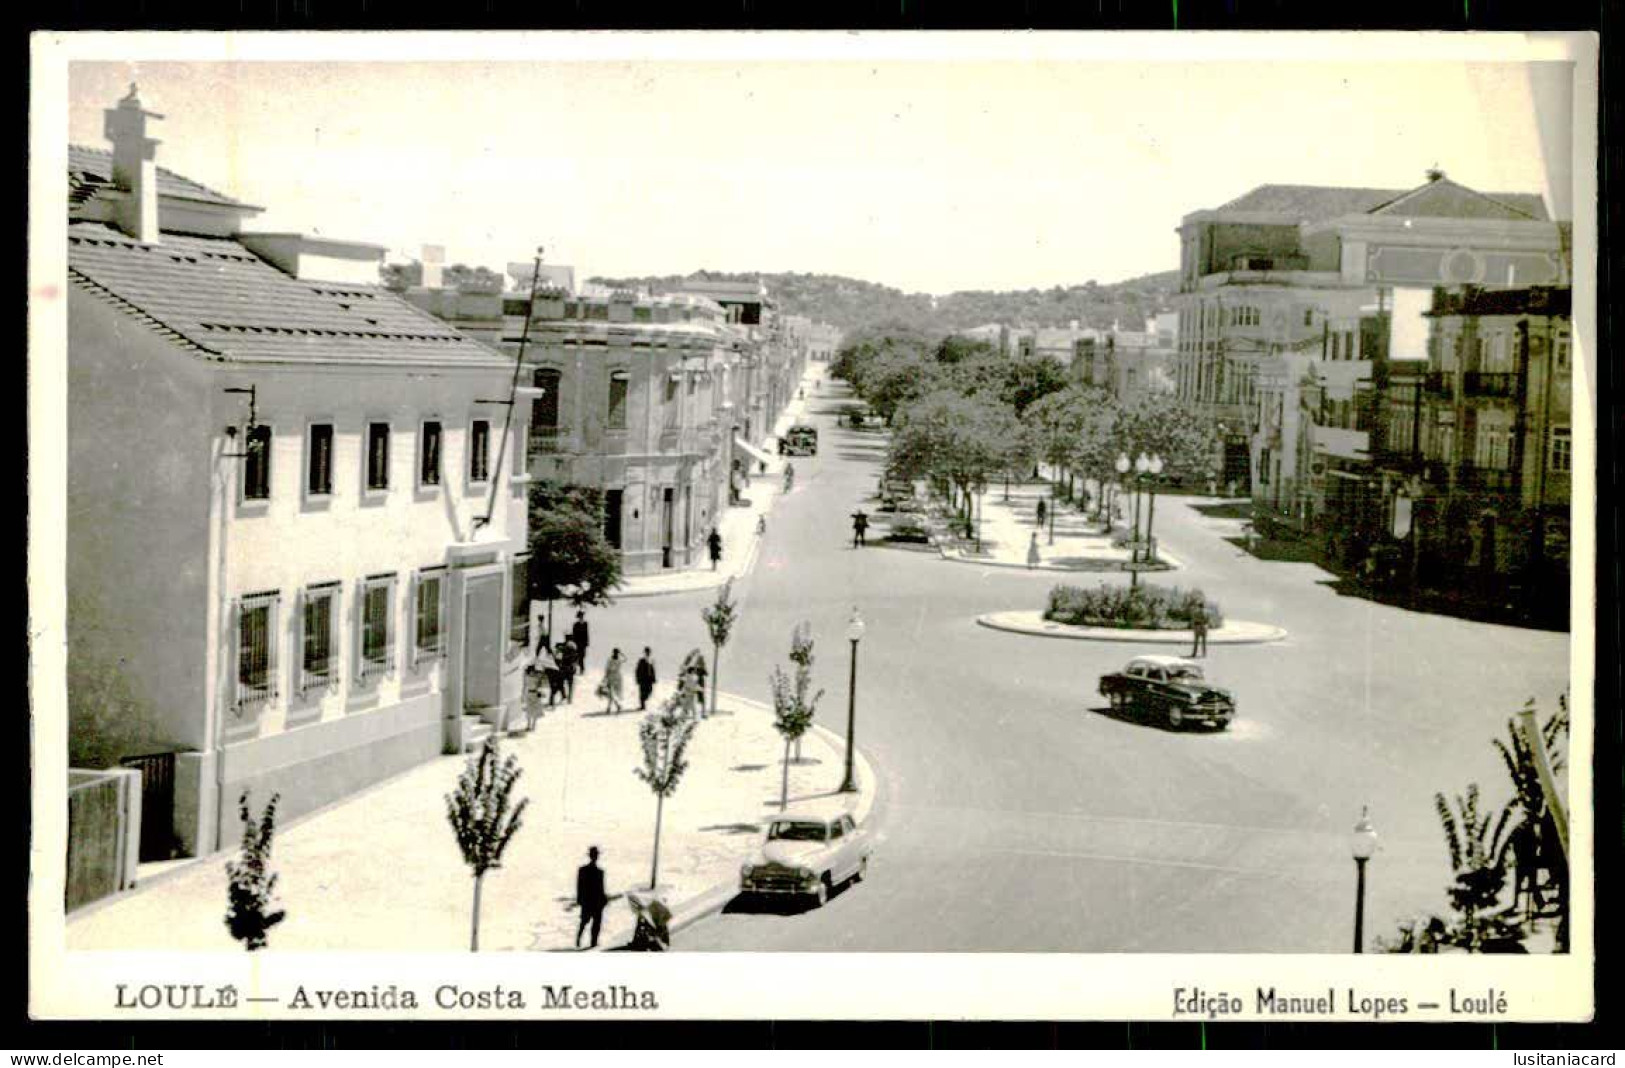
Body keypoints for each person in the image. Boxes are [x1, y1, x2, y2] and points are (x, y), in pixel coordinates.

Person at [575, 846, 607, 949]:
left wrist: (603, 900)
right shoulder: (586, 871)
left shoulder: (598, 872)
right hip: (590, 901)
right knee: (585, 922)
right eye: (594, 855)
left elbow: (601, 888)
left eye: (596, 855)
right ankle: (580, 940)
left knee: (593, 924)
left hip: (595, 902)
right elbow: (580, 886)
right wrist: (580, 900)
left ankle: (592, 942)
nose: (595, 857)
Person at [598, 648, 625, 714]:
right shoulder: (615, 659)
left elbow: (625, 659)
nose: (616, 654)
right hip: (613, 677)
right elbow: (607, 669)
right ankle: (614, 707)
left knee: (612, 694)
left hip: (616, 678)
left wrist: (621, 654)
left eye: (617, 653)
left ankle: (612, 707)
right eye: (615, 652)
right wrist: (605, 677)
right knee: (611, 694)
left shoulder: (615, 659)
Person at [557, 636, 578, 703]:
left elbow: (559, 658)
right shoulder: (574, 652)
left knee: (561, 683)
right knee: (570, 685)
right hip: (570, 670)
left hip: (564, 669)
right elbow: (575, 662)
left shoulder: (564, 650)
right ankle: (569, 698)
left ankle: (564, 695)